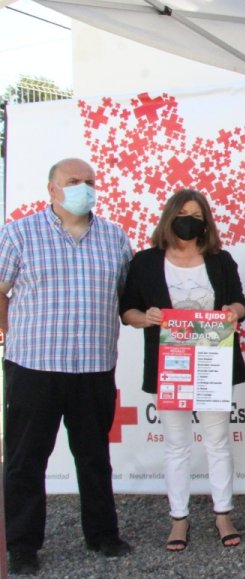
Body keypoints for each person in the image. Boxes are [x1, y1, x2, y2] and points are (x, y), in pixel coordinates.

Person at [0, 158, 134, 575]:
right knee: (26, 458)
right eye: (73, 181)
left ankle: (102, 535)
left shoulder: (114, 237)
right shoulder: (19, 233)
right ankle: (22, 545)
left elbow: (126, 295)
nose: (84, 188)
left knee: (94, 456)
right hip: (34, 365)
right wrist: (9, 329)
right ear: (52, 189)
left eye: (90, 181)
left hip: (94, 366)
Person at [120, 188, 245, 551]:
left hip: (212, 363)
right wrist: (146, 317)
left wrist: (232, 313)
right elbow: (127, 310)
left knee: (218, 441)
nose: (188, 221)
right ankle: (179, 519)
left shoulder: (220, 260)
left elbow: (240, 301)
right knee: (176, 444)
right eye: (183, 214)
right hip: (170, 367)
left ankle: (223, 513)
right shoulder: (145, 262)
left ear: (205, 222)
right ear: (169, 217)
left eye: (196, 215)